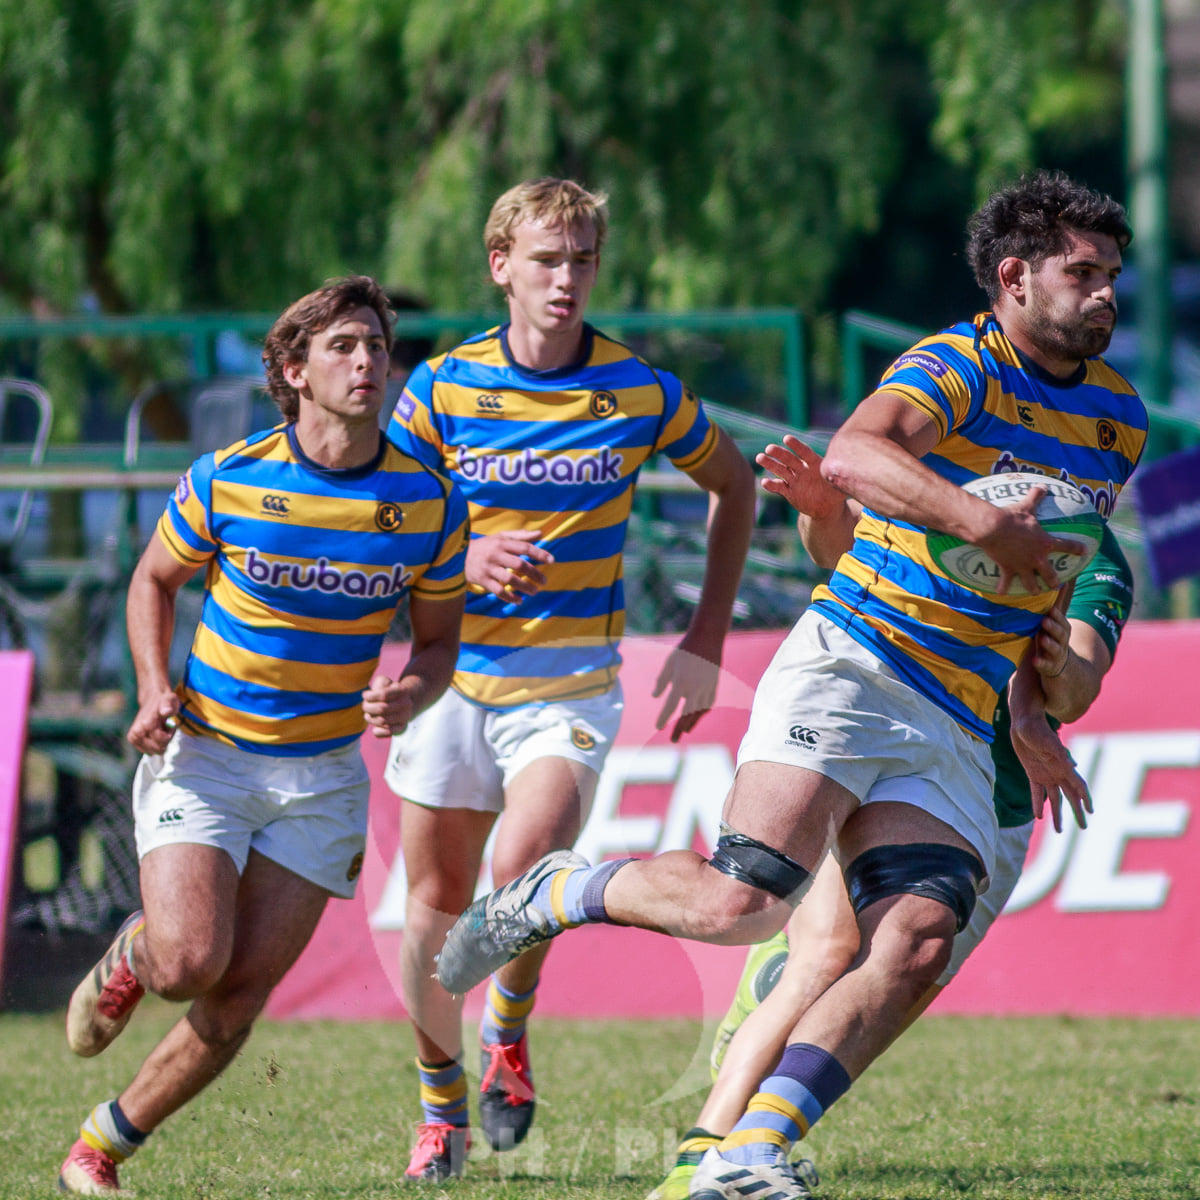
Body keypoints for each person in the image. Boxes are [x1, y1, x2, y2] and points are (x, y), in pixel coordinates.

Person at [434, 169, 1148, 1199]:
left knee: (916, 942)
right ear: (1014, 278)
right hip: (858, 660)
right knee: (744, 904)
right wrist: (983, 522)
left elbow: (1048, 583)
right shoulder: (959, 364)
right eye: (1083, 273)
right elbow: (854, 453)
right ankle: (557, 890)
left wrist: (1033, 703)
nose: (1106, 293)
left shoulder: (1120, 417)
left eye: (1113, 274)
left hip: (959, 711)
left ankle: (749, 1150)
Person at [57, 276, 469, 1195]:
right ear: (294, 370)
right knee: (188, 963)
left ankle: (101, 1147)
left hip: (321, 778)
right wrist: (153, 686)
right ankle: (138, 951)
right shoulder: (231, 477)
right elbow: (153, 580)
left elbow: (440, 645)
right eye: (343, 347)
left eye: (377, 346)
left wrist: (409, 694)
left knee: (239, 993)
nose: (368, 362)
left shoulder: (431, 502)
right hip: (206, 754)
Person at [382, 176, 756, 1181]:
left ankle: (506, 1026)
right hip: (449, 676)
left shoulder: (639, 389)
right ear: (501, 266)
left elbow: (734, 484)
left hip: (570, 682)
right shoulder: (442, 388)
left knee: (527, 866)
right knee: (436, 904)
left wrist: (707, 635)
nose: (567, 278)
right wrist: (465, 557)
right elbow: (386, 517)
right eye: (547, 259)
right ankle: (440, 1107)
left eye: (583, 260)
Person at [648, 433, 1134, 1200]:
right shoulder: (958, 495)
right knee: (826, 954)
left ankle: (749, 1129)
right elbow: (840, 552)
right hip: (882, 746)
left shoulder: (1099, 558)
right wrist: (822, 512)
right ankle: (707, 1156)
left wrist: (1052, 671)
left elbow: (1078, 688)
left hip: (987, 803)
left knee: (896, 978)